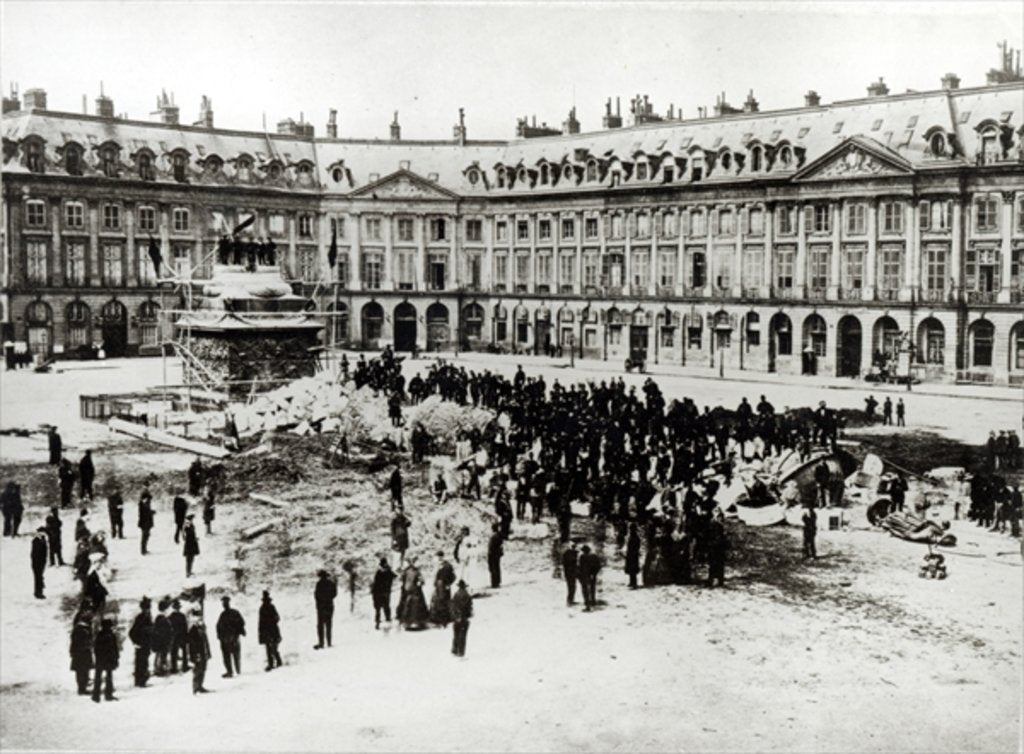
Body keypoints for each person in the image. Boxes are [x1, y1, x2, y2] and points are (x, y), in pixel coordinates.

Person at [216, 596, 246, 678]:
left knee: (235, 654)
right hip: (226, 639)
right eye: (223, 603)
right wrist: (220, 636)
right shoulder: (223, 614)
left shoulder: (234, 612)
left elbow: (242, 623)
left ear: (228, 603)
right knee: (227, 655)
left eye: (225, 603)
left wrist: (237, 632)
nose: (224, 605)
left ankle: (237, 671)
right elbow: (218, 626)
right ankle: (230, 671)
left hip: (233, 637)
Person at [397, 557, 429, 631]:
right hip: (406, 592)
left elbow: (422, 580)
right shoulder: (406, 571)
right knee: (406, 607)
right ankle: (406, 623)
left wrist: (420, 583)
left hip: (416, 592)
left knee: (415, 607)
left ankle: (417, 623)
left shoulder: (417, 571)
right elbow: (401, 579)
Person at [92, 618, 119, 703]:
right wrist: (116, 658)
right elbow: (114, 648)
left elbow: (96, 649)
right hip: (108, 659)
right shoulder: (111, 635)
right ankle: (108, 695)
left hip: (101, 659)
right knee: (108, 677)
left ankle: (96, 695)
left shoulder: (100, 635)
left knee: (99, 677)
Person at [129, 597, 153, 688]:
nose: (148, 610)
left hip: (146, 644)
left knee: (144, 662)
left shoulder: (147, 617)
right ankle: (140, 681)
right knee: (140, 663)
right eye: (147, 608)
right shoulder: (140, 618)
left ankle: (142, 681)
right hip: (141, 644)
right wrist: (136, 643)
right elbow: (132, 632)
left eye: (148, 608)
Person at [187, 609, 212, 694]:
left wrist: (208, 652)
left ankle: (200, 686)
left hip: (203, 652)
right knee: (197, 670)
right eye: (197, 617)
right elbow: (192, 644)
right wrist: (194, 654)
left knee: (203, 669)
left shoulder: (202, 628)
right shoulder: (193, 629)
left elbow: (205, 641)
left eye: (200, 617)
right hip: (197, 653)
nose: (199, 619)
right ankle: (195, 687)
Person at [258, 591, 283, 671]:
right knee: (269, 648)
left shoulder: (270, 607)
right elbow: (261, 622)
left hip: (272, 630)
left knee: (273, 647)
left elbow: (277, 618)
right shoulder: (262, 608)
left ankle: (276, 662)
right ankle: (272, 663)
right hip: (268, 630)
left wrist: (271, 622)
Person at [69, 613, 94, 695]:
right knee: (82, 671)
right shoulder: (81, 629)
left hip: (80, 653)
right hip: (82, 653)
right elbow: (77, 642)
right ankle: (81, 689)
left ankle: (82, 688)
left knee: (83, 671)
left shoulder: (81, 628)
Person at [429, 550, 456, 626]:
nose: (436, 559)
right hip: (438, 586)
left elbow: (453, 576)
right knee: (438, 602)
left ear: (440, 557)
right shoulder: (438, 566)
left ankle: (444, 620)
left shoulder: (447, 566)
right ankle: (437, 619)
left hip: (444, 586)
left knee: (443, 602)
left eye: (437, 557)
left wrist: (448, 584)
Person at [314, 570, 337, 649]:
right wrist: (328, 599)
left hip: (321, 607)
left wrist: (320, 602)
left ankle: (321, 643)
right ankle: (329, 642)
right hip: (329, 606)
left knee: (320, 625)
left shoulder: (319, 584)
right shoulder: (331, 584)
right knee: (329, 624)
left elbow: (316, 596)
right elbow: (334, 594)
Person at [706, 511, 729, 588]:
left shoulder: (717, 525)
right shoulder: (714, 524)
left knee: (717, 564)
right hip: (715, 546)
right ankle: (715, 580)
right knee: (715, 564)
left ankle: (717, 580)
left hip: (717, 546)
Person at [450, 580, 473, 658]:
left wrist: (455, 616)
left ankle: (454, 650)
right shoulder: (467, 596)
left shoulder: (455, 595)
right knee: (462, 635)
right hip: (463, 618)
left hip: (456, 618)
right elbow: (469, 608)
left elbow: (452, 606)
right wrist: (468, 615)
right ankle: (461, 652)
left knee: (456, 634)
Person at [371, 557, 395, 629]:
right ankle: (387, 619)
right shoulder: (388, 571)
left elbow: (375, 583)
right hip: (385, 592)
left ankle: (378, 622)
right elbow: (394, 576)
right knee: (386, 606)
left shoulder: (379, 572)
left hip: (378, 592)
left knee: (378, 608)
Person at [152, 599, 173, 677]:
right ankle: (159, 670)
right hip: (162, 641)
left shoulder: (161, 618)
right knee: (161, 655)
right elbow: (162, 631)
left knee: (161, 655)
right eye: (168, 608)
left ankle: (160, 669)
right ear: (165, 609)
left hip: (162, 641)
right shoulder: (161, 618)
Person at [578, 544, 601, 611]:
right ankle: (593, 601)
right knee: (592, 588)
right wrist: (594, 574)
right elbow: (598, 566)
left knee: (585, 590)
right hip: (592, 575)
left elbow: (580, 567)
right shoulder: (594, 556)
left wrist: (579, 576)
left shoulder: (582, 557)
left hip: (585, 576)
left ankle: (587, 605)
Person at [169, 600, 190, 674]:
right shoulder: (182, 616)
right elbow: (185, 627)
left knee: (174, 652)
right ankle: (185, 666)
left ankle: (174, 668)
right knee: (184, 651)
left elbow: (170, 628)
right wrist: (186, 636)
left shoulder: (171, 616)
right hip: (181, 636)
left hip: (174, 636)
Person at [31, 527, 48, 598]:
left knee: (39, 577)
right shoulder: (37, 541)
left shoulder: (41, 539)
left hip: (40, 562)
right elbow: (36, 553)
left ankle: (39, 590)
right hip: (37, 562)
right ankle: (38, 593)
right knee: (38, 577)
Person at [138, 485, 154, 555]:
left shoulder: (145, 504)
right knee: (145, 536)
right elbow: (145, 513)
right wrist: (151, 512)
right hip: (145, 523)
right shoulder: (143, 504)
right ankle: (143, 550)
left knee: (146, 536)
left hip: (146, 522)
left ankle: (144, 549)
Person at [561, 540, 578, 606]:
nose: (574, 547)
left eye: (574, 546)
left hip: (571, 573)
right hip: (569, 573)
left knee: (573, 587)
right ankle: (569, 601)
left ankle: (571, 600)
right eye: (573, 546)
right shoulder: (568, 553)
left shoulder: (571, 553)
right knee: (571, 587)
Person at [624, 522, 641, 589]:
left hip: (633, 554)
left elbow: (637, 546)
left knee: (633, 569)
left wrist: (634, 552)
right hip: (630, 554)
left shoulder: (635, 537)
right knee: (631, 569)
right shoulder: (631, 536)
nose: (630, 530)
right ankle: (631, 582)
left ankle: (634, 583)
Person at [487, 523, 504, 588]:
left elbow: (491, 546)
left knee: (493, 568)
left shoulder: (494, 536)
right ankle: (497, 581)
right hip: (497, 554)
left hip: (493, 554)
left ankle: (494, 583)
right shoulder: (499, 535)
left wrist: (490, 553)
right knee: (497, 567)